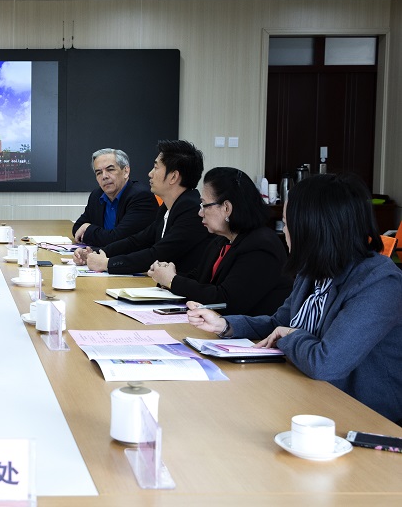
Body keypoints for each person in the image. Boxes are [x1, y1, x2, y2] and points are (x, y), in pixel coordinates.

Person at [188, 174, 402, 423]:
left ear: (313, 228)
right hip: (307, 394)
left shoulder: (379, 283)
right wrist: (225, 325)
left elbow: (325, 362)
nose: (285, 232)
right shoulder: (313, 270)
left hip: (363, 416)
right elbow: (277, 324)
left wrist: (289, 335)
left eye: (288, 224)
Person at [147, 167, 292, 316]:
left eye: (204, 205)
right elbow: (199, 279)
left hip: (252, 330)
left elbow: (225, 301)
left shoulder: (261, 247)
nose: (200, 213)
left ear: (227, 208)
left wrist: (172, 280)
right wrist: (168, 274)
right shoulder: (221, 240)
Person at [75, 139, 211, 275]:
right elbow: (138, 241)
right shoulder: (168, 207)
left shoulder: (191, 210)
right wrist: (96, 253)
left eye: (156, 168)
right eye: (98, 172)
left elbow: (157, 254)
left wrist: (107, 263)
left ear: (173, 177)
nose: (150, 173)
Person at [71, 148, 158, 247]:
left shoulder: (141, 196)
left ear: (126, 172)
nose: (104, 176)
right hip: (102, 254)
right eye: (99, 172)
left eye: (110, 170)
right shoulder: (97, 195)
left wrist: (88, 229)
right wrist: (89, 230)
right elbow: (77, 228)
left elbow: (118, 240)